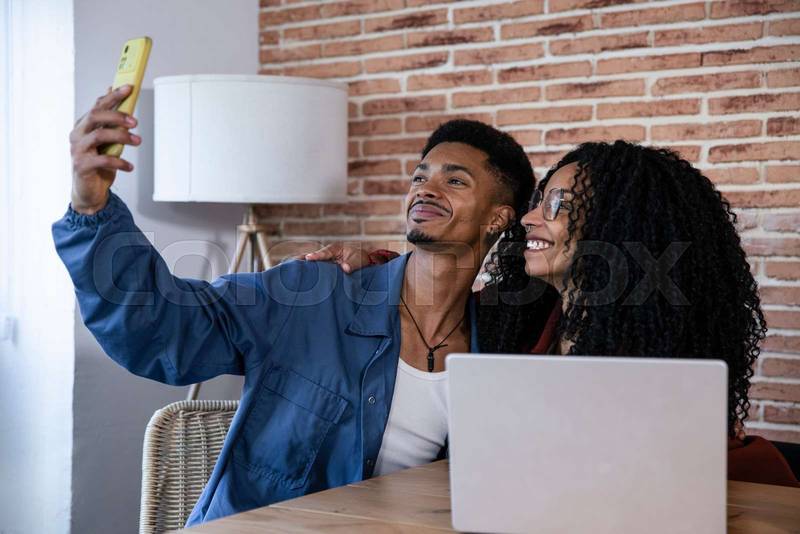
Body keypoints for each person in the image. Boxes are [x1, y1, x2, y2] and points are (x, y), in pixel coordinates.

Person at [53, 84, 545, 525]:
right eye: (420, 176)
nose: (425, 188)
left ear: (498, 218)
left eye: (454, 181)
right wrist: (91, 209)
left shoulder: (495, 346)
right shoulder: (311, 293)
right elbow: (164, 329)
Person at [311, 141, 799, 488]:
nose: (528, 218)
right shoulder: (511, 320)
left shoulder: (661, 345)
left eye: (558, 204)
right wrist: (368, 264)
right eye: (538, 202)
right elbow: (425, 289)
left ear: (617, 224)